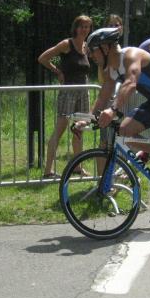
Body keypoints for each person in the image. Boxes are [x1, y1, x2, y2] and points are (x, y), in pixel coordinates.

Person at [82, 27, 150, 212]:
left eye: (93, 50)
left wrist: (113, 110)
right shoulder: (111, 69)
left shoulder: (130, 55)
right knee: (123, 131)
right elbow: (103, 95)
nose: (91, 56)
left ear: (106, 47)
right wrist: (88, 119)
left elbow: (131, 83)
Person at [37, 15, 93, 178]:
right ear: (76, 27)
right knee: (60, 129)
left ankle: (78, 167)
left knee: (79, 129)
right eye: (82, 26)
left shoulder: (87, 47)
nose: (84, 30)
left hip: (84, 91)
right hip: (68, 91)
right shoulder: (66, 44)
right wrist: (58, 72)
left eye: (87, 27)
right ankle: (48, 171)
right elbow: (43, 58)